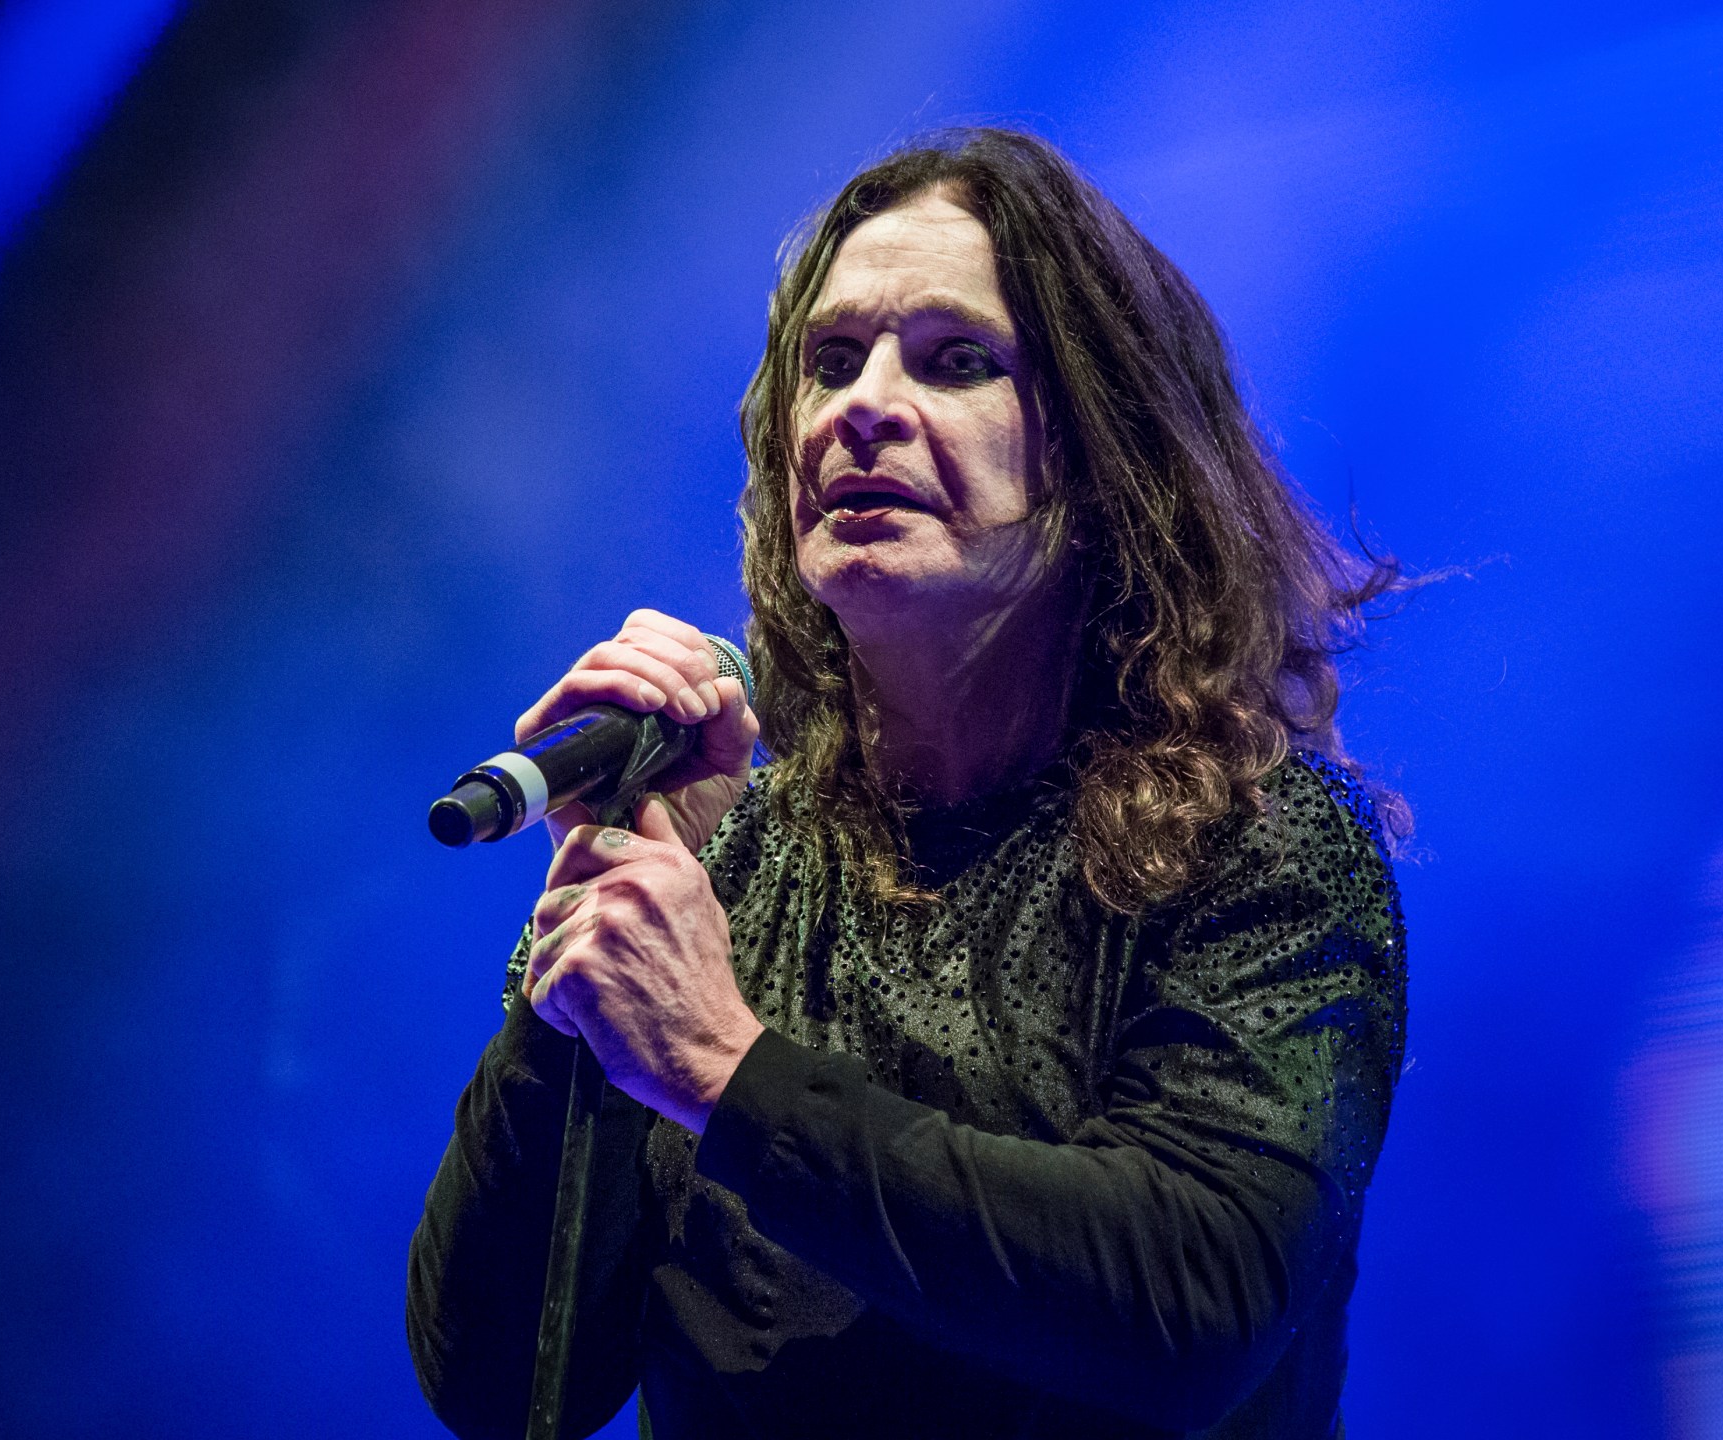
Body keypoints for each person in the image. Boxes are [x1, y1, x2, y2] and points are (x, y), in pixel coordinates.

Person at [407, 128, 1407, 1439]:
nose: (862, 406)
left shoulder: (1259, 848)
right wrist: (585, 940)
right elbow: (495, 1385)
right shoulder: (741, 862)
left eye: (957, 361)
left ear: (1103, 455)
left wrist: (721, 1069)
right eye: (831, 362)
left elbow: (1194, 1305)